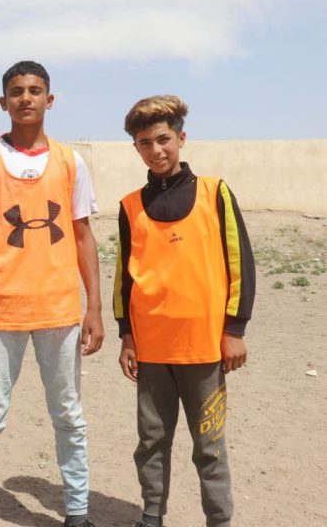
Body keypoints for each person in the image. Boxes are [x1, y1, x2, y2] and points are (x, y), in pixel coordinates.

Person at [0, 61, 104, 527]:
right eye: (17, 91)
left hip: (58, 307)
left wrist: (95, 307)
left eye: (35, 90)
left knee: (68, 415)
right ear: (3, 102)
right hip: (0, 308)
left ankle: (77, 511)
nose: (26, 98)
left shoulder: (70, 160)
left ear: (49, 99)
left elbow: (82, 235)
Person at [114, 95, 255, 527]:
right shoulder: (130, 206)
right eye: (145, 143)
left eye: (163, 139)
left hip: (203, 347)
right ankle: (152, 515)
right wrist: (126, 335)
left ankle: (219, 519)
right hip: (151, 348)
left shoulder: (214, 192)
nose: (156, 150)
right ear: (136, 147)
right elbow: (124, 277)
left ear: (181, 138)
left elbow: (240, 261)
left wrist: (234, 329)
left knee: (209, 445)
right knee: (151, 440)